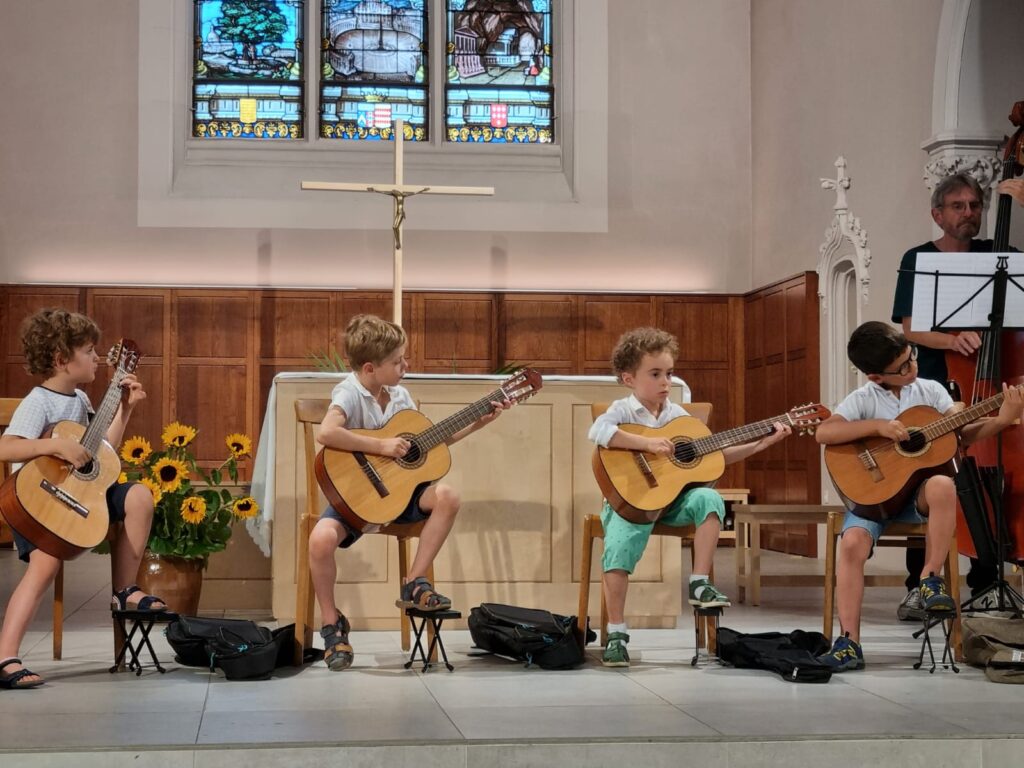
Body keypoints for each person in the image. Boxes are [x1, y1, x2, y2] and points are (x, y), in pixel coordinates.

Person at [308, 314, 512, 671]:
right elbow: (327, 434)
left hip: (400, 500)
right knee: (320, 539)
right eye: (398, 361)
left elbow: (430, 443)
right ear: (370, 368)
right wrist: (383, 447)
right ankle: (331, 623)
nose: (406, 365)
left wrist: (480, 421)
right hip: (355, 502)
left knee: (447, 495)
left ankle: (413, 582)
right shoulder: (349, 392)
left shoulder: (400, 395)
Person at [814, 321, 1023, 670]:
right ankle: (848, 641)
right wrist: (878, 427)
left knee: (943, 484)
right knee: (850, 544)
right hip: (874, 500)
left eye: (912, 359)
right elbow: (825, 432)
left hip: (918, 501)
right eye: (903, 367)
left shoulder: (932, 392)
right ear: (876, 377)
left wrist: (1003, 420)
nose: (913, 368)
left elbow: (963, 435)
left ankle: (929, 577)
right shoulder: (864, 399)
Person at [588, 327, 791, 668]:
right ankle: (617, 633)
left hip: (674, 503)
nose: (665, 382)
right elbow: (598, 431)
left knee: (709, 498)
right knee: (618, 551)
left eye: (669, 373)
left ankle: (698, 583)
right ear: (629, 378)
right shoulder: (622, 410)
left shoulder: (679, 418)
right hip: (632, 505)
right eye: (655, 374)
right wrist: (647, 443)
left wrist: (761, 444)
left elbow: (714, 459)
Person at [0, 309, 165, 690]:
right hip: (37, 506)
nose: (96, 358)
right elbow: (7, 447)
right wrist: (57, 444)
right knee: (45, 568)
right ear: (62, 359)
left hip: (79, 498)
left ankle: (124, 591)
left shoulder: (80, 399)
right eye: (89, 351)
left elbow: (103, 453)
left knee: (139, 495)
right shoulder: (38, 401)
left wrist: (125, 406)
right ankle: (6, 657)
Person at [890, 172, 1018, 616]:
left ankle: (987, 578)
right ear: (937, 214)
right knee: (929, 473)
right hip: (936, 383)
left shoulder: (1000, 256)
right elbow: (909, 328)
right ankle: (919, 584)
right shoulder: (919, 258)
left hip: (988, 382)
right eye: (959, 206)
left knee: (991, 477)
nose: (969, 214)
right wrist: (951, 340)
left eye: (975, 205)